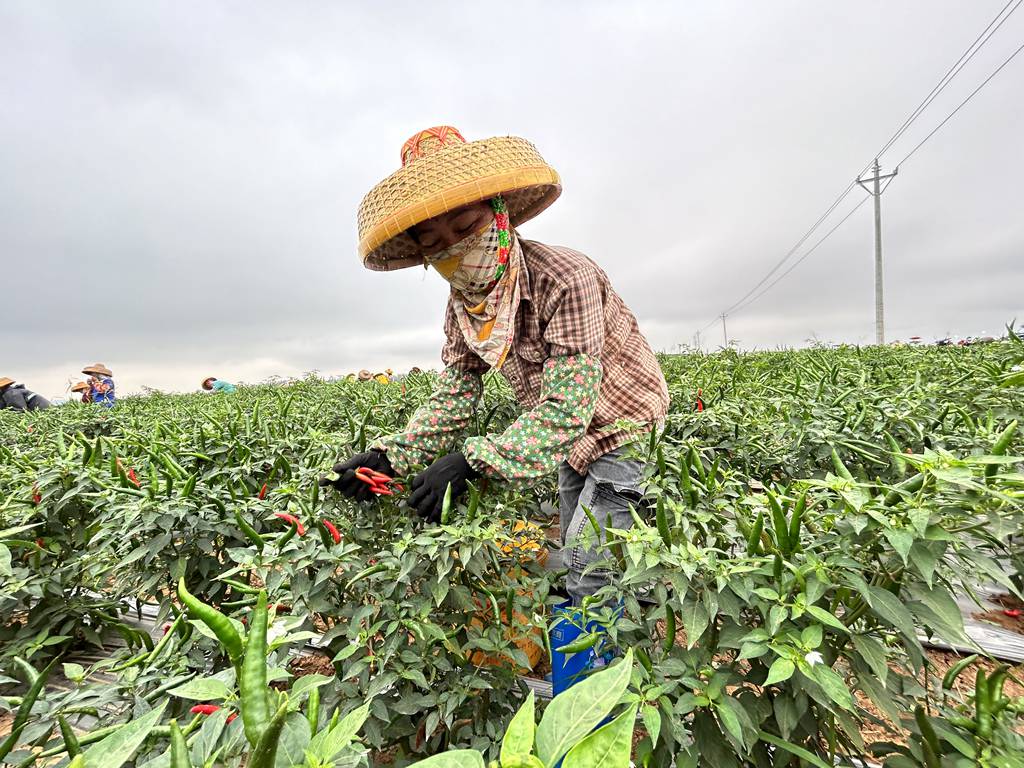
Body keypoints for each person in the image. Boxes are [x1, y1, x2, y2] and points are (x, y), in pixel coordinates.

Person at [321, 126, 669, 609]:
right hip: (566, 441)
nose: (456, 249)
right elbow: (455, 393)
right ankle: (599, 652)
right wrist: (391, 456)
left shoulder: (565, 278)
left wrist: (473, 461)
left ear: (499, 213)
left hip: (623, 426)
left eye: (465, 227)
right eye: (434, 241)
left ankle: (613, 672)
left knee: (598, 571)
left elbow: (569, 406)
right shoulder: (463, 306)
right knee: (578, 554)